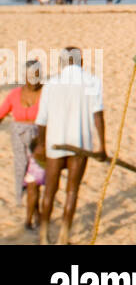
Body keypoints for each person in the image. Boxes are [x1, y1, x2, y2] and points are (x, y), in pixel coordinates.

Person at [34, 48, 105, 245]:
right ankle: (63, 237)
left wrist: (40, 144)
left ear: (62, 63)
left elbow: (42, 120)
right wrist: (102, 146)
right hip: (80, 144)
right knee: (72, 191)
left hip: (55, 142)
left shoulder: (51, 84)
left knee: (50, 190)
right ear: (80, 61)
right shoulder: (92, 81)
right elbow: (98, 115)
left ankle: (44, 236)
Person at [0, 60, 45, 232]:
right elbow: (1, 114)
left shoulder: (46, 94)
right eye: (30, 75)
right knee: (24, 177)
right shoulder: (14, 94)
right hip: (19, 143)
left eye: (36, 75)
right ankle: (36, 213)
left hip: (39, 142)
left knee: (34, 180)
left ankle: (30, 219)